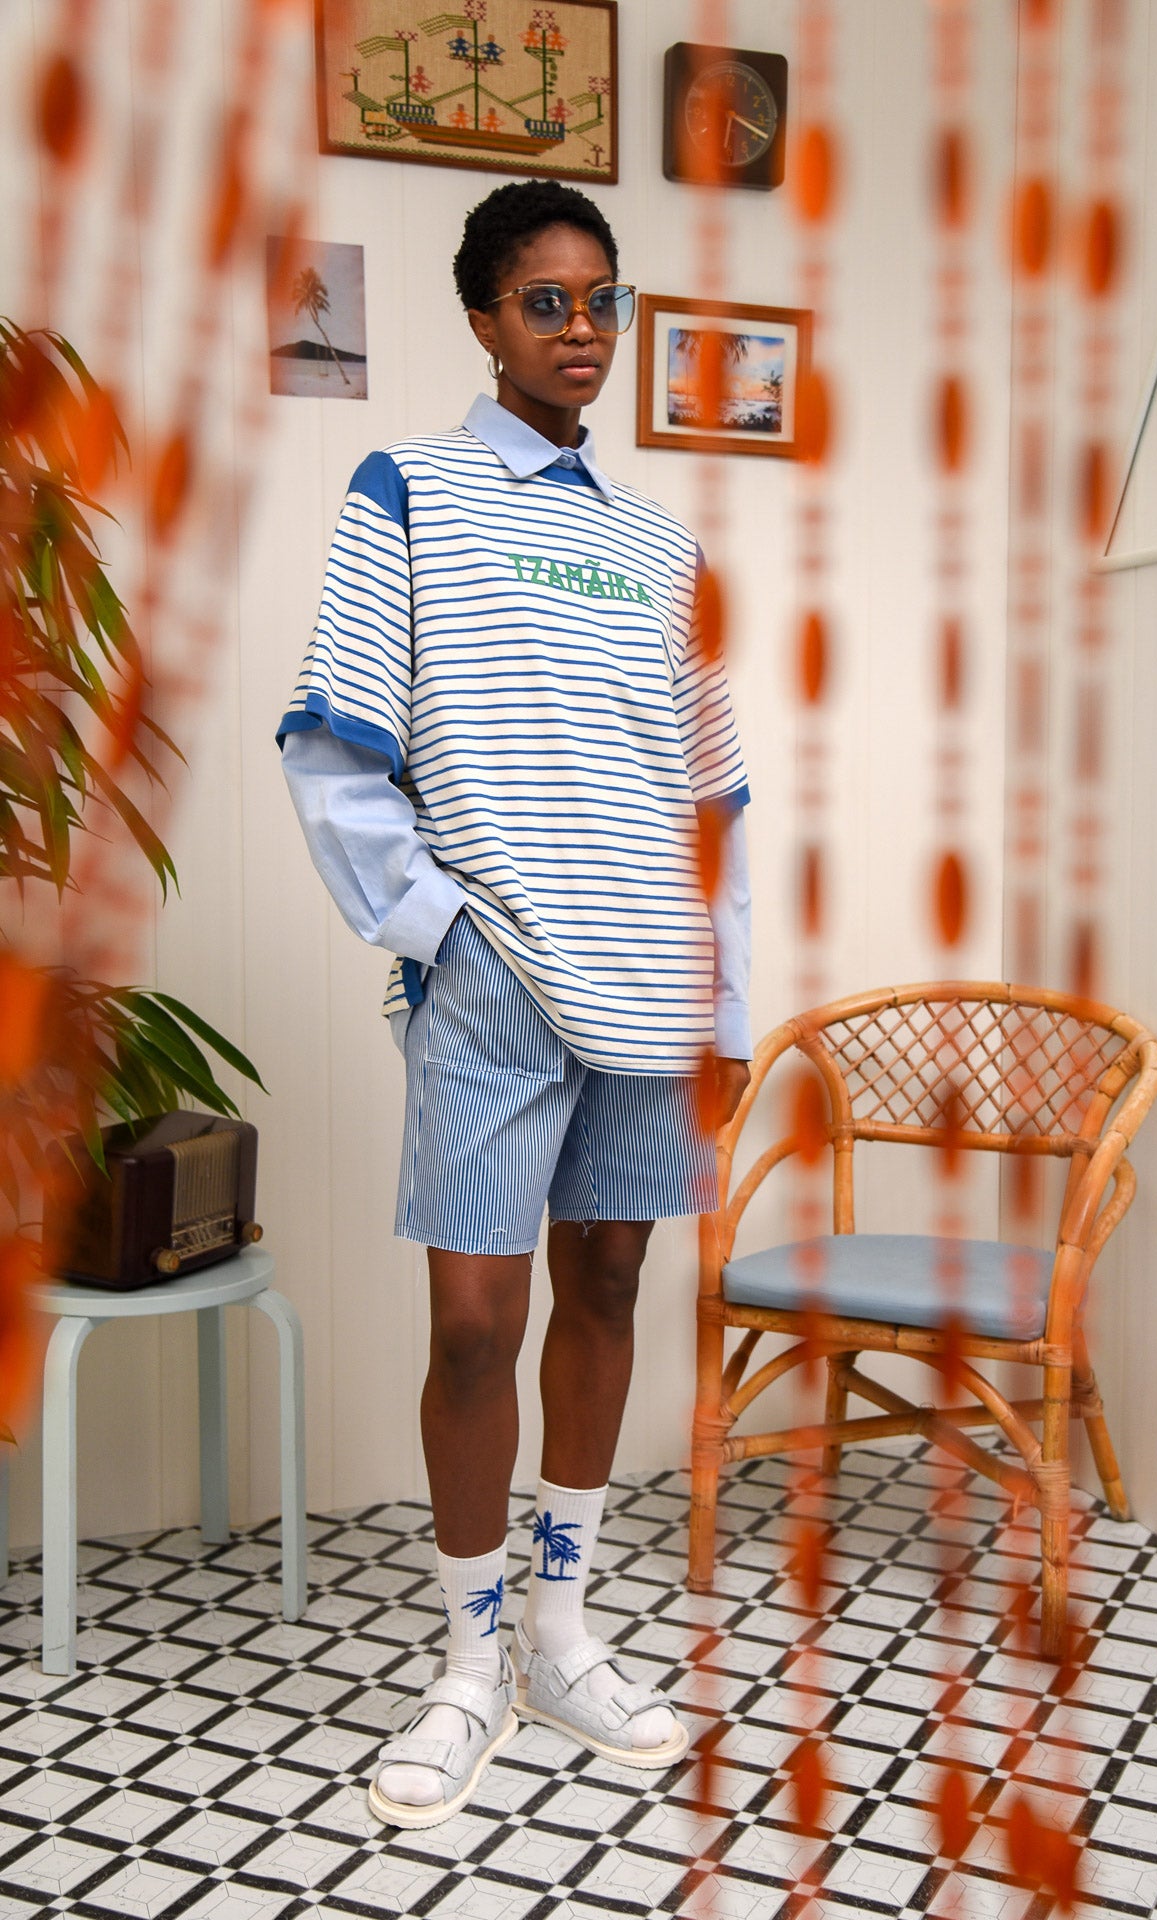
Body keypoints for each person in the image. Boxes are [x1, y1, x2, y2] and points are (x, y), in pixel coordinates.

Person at [277, 179, 752, 1830]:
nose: (581, 330)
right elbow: (333, 744)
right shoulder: (404, 491)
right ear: (482, 318)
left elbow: (711, 799)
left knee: (608, 1285)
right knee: (475, 1323)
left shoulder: (662, 547)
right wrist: (443, 934)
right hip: (494, 981)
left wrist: (729, 1011)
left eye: (602, 301)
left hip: (652, 981)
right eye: (546, 301)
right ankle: (467, 1661)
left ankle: (561, 1633)